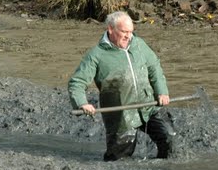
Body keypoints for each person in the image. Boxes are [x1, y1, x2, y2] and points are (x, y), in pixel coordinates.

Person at [69, 11, 176, 161]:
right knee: (118, 160)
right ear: (110, 29)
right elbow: (77, 83)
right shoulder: (96, 55)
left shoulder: (139, 45)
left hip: (149, 105)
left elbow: (154, 68)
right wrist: (82, 103)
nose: (128, 36)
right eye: (124, 32)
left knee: (170, 140)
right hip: (121, 114)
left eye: (131, 32)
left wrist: (162, 92)